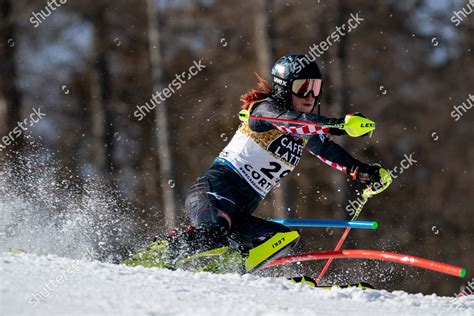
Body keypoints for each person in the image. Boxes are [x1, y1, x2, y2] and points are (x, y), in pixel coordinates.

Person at [125, 54, 391, 272]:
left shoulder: (304, 132)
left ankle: (226, 272)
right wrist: (340, 125)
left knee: (282, 238)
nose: (310, 95)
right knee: (214, 236)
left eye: (316, 87)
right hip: (215, 190)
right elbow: (294, 122)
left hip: (240, 211)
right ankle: (152, 256)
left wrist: (363, 171)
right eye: (302, 87)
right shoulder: (264, 110)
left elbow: (326, 149)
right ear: (284, 88)